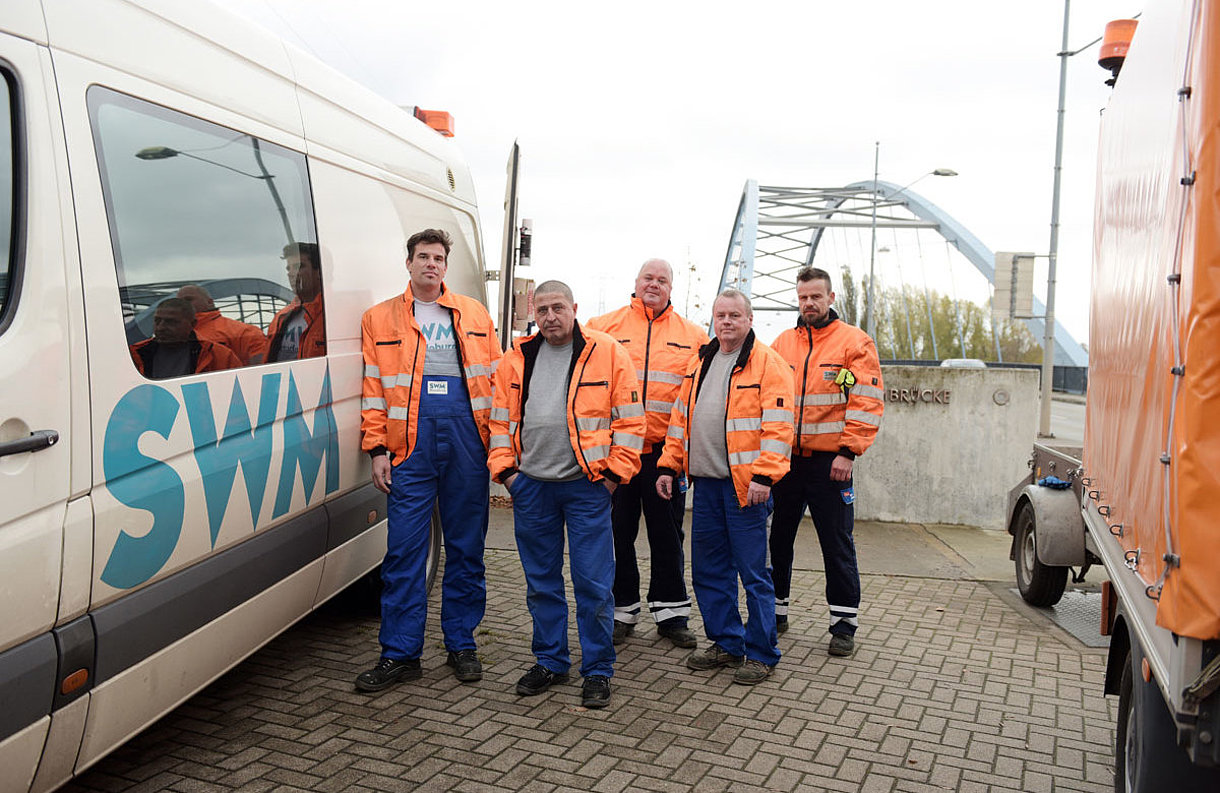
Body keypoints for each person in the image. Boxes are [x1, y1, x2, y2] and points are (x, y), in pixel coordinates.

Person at [356, 228, 502, 691]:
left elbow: (499, 383)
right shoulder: (379, 319)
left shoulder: (474, 313)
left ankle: (461, 643)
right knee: (403, 552)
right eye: (423, 256)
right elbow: (373, 389)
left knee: (465, 548)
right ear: (409, 263)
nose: (431, 264)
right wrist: (378, 449)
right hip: (410, 445)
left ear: (445, 265)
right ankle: (400, 653)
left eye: (438, 257)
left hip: (467, 441)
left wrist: (500, 447)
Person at [487, 280, 644, 709]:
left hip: (586, 488)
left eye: (558, 307)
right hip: (532, 488)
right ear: (533, 314)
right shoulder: (516, 359)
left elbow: (631, 422)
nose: (551, 316)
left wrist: (613, 477)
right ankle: (551, 661)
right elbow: (498, 423)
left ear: (574, 308)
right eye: (542, 310)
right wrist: (508, 476)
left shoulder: (608, 352)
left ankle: (597, 670)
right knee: (542, 584)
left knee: (593, 584)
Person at [656, 289, 793, 686]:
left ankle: (762, 652)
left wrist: (765, 476)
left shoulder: (769, 364)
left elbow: (779, 426)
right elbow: (680, 420)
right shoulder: (703, 360)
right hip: (708, 487)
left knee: (753, 574)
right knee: (709, 571)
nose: (727, 322)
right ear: (713, 320)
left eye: (735, 315)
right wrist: (669, 465)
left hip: (745, 488)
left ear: (750, 319)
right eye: (721, 315)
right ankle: (726, 642)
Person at [586, 259, 708, 649]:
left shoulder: (695, 337)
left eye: (662, 280)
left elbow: (696, 402)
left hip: (664, 457)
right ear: (636, 282)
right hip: (616, 454)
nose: (654, 284)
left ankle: (672, 614)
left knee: (667, 535)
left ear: (672, 288)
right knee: (616, 533)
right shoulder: (603, 328)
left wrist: (678, 458)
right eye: (648, 278)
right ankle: (622, 611)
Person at [769, 266, 883, 658]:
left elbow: (865, 400)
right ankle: (775, 612)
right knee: (778, 541)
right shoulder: (782, 344)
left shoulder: (854, 343)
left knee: (835, 542)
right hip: (784, 463)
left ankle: (843, 624)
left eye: (816, 296)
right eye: (803, 297)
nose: (809, 303)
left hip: (830, 463)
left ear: (831, 298)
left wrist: (848, 451)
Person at [130, 297, 243, 378]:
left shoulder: (218, 356)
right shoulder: (136, 354)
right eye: (157, 321)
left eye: (171, 322)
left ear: (192, 324)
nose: (161, 327)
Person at [176, 284, 269, 365]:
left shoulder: (245, 332)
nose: (183, 304)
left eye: (188, 300)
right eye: (178, 302)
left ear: (210, 302)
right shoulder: (169, 334)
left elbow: (261, 370)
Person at [267, 242, 325, 362]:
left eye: (299, 266)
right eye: (289, 268)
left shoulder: (331, 318)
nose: (292, 273)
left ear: (319, 272)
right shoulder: (280, 318)